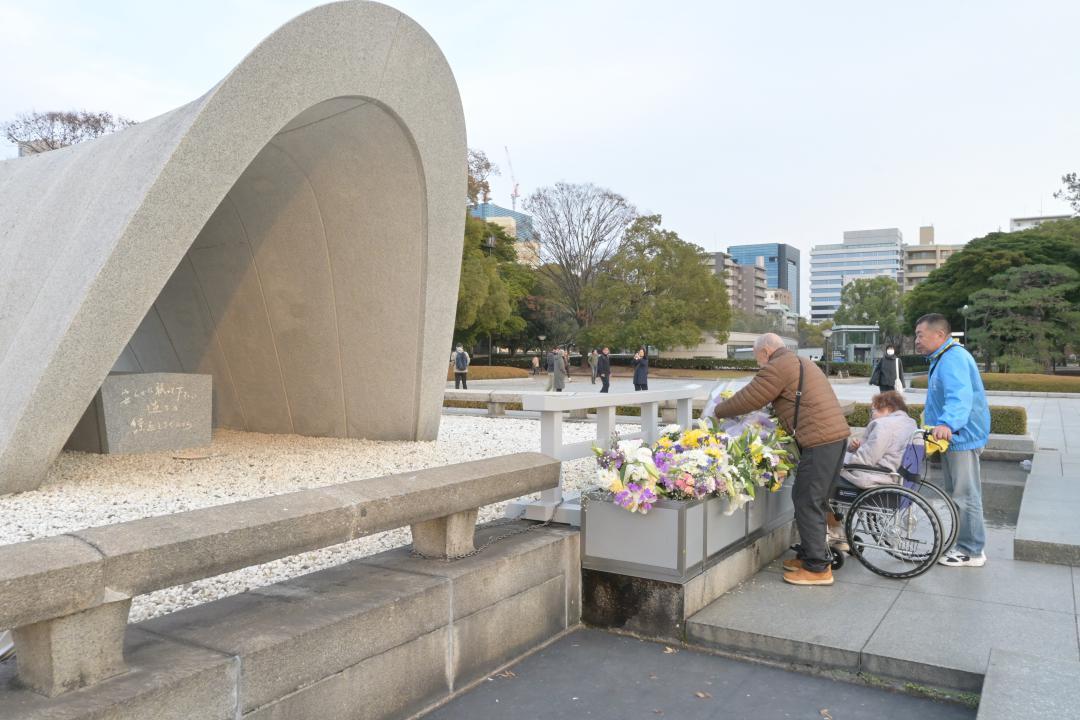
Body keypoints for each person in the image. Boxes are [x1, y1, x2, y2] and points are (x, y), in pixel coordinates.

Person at [711, 333, 850, 586]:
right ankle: (810, 555)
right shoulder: (799, 361)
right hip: (834, 438)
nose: (758, 364)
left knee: (807, 500)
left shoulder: (778, 366)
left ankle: (818, 568)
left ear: (765, 351)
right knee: (813, 499)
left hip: (819, 441)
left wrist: (718, 410)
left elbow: (751, 396)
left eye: (757, 358)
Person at [915, 313, 990, 567]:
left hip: (961, 436)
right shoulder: (942, 357)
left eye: (920, 335)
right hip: (954, 437)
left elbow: (959, 396)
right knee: (957, 493)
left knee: (965, 494)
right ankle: (964, 545)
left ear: (939, 334)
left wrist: (947, 423)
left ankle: (972, 551)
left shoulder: (953, 357)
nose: (917, 341)